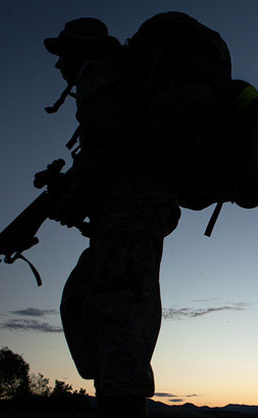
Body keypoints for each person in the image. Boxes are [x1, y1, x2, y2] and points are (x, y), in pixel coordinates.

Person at [43, 17, 181, 417]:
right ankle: (111, 386)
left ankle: (121, 398)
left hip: (132, 207)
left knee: (119, 310)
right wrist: (75, 192)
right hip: (132, 209)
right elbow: (109, 148)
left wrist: (75, 195)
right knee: (88, 300)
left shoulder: (100, 73)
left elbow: (106, 145)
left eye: (64, 52)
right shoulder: (124, 77)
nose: (59, 64)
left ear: (82, 48)